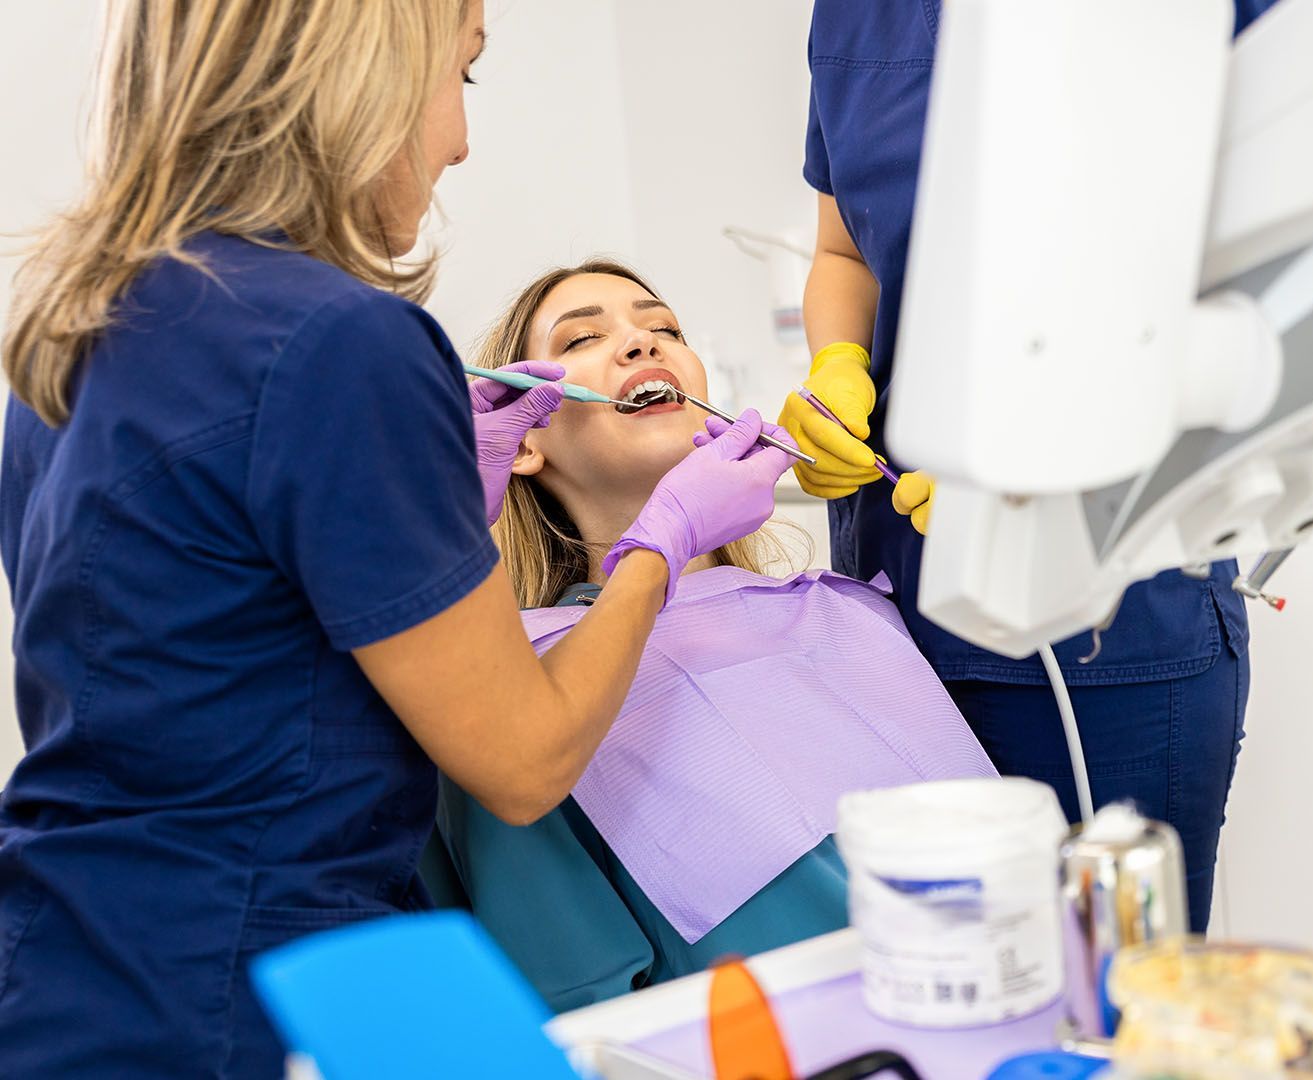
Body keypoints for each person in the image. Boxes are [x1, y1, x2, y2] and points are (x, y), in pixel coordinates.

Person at [0, 3, 790, 1075]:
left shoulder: (76, 338)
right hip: (233, 990)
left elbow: (216, 638)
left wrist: (426, 505)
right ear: (363, 72)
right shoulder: (341, 339)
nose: (459, 142)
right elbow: (521, 764)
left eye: (659, 324)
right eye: (460, 79)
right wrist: (662, 540)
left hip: (64, 960)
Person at [784, 0, 1282, 932]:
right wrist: (835, 364)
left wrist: (1044, 422)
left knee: (1114, 997)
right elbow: (841, 248)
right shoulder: (854, 13)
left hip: (1109, 604)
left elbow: (1277, 248)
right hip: (898, 592)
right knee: (943, 981)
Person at [422, 260, 996, 1010]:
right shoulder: (522, 691)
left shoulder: (845, 610)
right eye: (586, 337)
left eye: (664, 329)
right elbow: (580, 1004)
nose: (639, 344)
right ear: (525, 441)